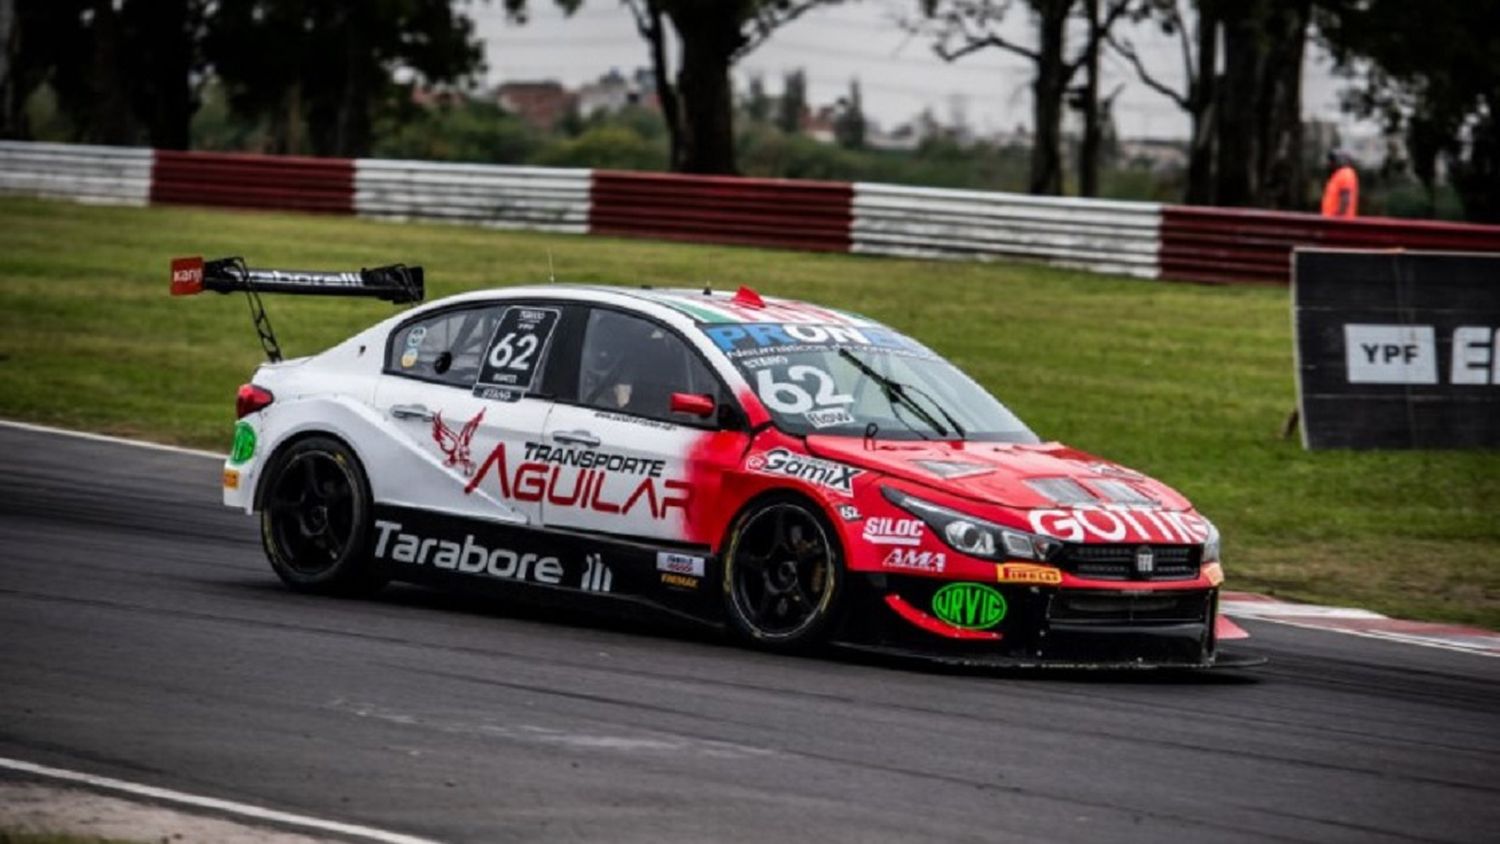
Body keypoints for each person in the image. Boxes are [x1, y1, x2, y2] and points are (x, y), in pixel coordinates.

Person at [1321, 149, 1358, 218]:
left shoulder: (1346, 173)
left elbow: (1345, 199)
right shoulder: (1337, 174)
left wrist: (1338, 220)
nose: (1330, 163)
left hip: (1338, 223)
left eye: (1333, 160)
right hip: (1331, 221)